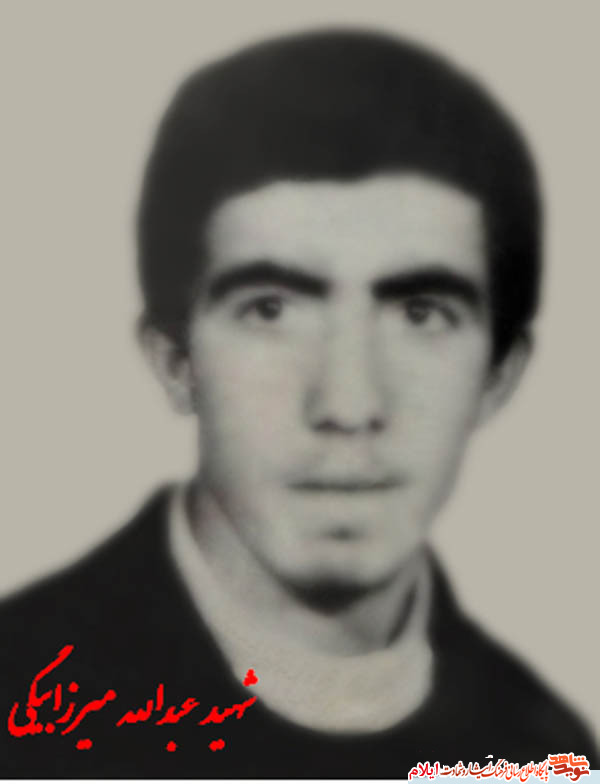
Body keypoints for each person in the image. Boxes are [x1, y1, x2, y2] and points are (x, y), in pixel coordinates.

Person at [0, 29, 596, 778]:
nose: (347, 404)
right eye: (271, 309)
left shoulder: (542, 754)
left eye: (420, 314)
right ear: (176, 362)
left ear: (498, 376)